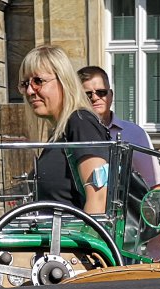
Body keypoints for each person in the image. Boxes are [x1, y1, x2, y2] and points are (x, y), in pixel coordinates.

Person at [19, 45, 110, 215]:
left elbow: (99, 199)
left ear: (63, 81)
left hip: (74, 240)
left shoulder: (80, 122)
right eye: (25, 84)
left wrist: (89, 240)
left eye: (38, 81)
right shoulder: (60, 132)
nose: (30, 91)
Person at [76, 65, 160, 192]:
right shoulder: (69, 134)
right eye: (88, 94)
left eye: (101, 92)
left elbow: (155, 186)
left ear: (111, 95)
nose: (95, 98)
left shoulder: (135, 134)